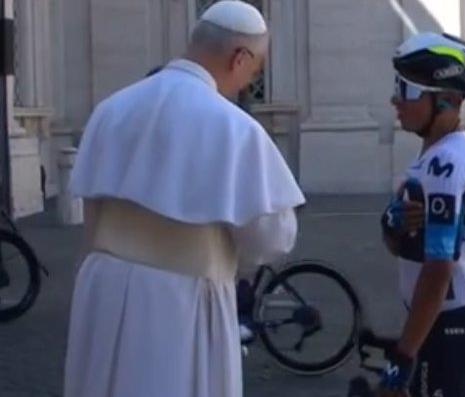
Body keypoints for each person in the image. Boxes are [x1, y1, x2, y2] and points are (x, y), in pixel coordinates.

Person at [63, 2, 305, 397]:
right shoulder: (233, 128)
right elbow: (272, 237)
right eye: (255, 69)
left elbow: (91, 205)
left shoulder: (110, 109)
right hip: (180, 302)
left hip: (102, 289)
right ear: (239, 57)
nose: (248, 81)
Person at [378, 32, 465, 397]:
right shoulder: (437, 156)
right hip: (448, 323)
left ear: (445, 101)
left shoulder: (445, 164)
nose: (395, 100)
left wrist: (403, 355)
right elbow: (402, 248)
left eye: (407, 91)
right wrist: (392, 224)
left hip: (449, 327)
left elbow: (438, 270)